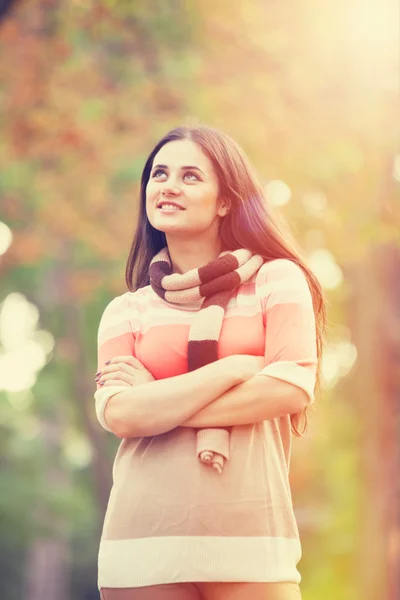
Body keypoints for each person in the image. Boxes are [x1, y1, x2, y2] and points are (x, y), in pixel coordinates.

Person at [94, 124, 326, 600]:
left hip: (253, 541)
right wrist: (233, 369)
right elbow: (121, 414)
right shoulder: (126, 311)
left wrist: (158, 403)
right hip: (142, 545)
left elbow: (289, 387)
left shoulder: (276, 281)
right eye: (159, 174)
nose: (168, 185)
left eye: (190, 176)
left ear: (225, 201)